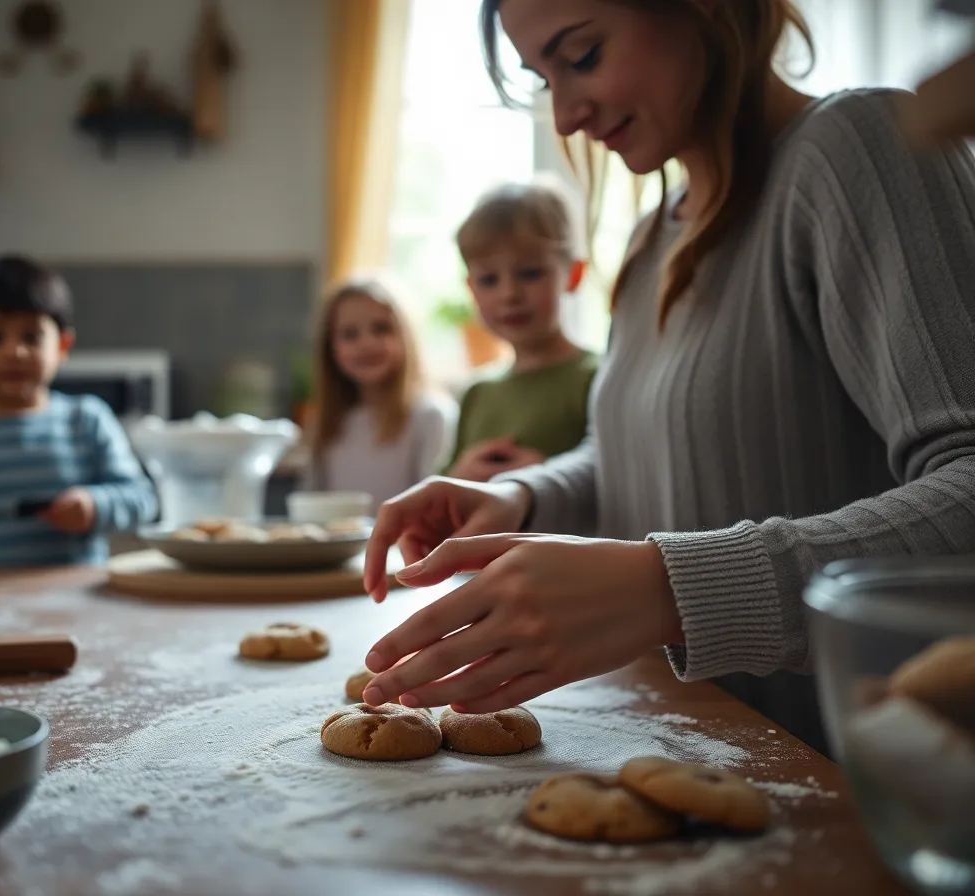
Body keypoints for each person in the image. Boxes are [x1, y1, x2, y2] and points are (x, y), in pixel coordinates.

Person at [357, 0, 975, 754]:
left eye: (580, 57)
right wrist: (522, 499)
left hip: (859, 775)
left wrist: (671, 589)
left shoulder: (859, 150)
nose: (565, 116)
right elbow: (622, 452)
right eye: (542, 79)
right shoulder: (656, 238)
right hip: (694, 757)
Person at [0, 255, 158, 567]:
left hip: (81, 604)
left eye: (31, 337)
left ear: (62, 347)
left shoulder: (87, 420)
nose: (16, 351)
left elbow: (142, 499)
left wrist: (94, 505)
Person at [445, 180, 597, 483]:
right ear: (471, 289)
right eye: (489, 280)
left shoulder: (596, 378)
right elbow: (441, 489)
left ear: (574, 275)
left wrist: (546, 475)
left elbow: (616, 484)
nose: (509, 294)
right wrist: (458, 475)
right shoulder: (477, 393)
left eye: (530, 273)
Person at [300, 274, 457, 511]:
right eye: (350, 334)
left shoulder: (431, 416)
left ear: (406, 338)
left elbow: (435, 505)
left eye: (381, 329)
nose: (366, 343)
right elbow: (310, 503)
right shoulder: (323, 422)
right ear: (330, 348)